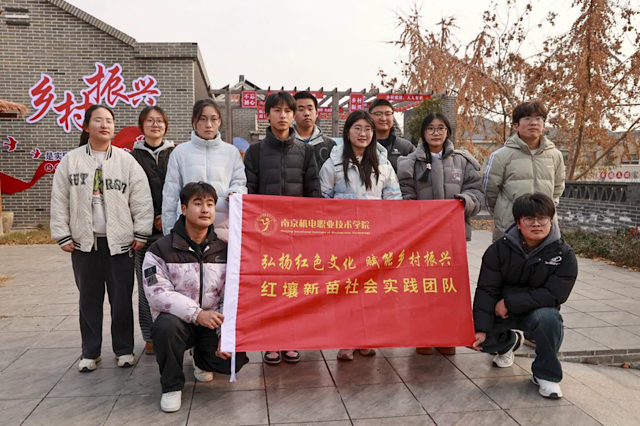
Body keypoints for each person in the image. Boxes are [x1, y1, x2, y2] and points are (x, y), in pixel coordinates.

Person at [50, 105, 153, 372]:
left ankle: (124, 350)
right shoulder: (71, 161)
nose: (104, 125)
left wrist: (141, 232)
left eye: (109, 120)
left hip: (120, 243)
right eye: (98, 120)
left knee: (121, 299)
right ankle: (90, 352)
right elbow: (59, 199)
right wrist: (62, 234)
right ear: (86, 126)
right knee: (88, 299)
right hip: (84, 243)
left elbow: (141, 199)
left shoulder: (125, 161)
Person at [143, 182, 248, 413]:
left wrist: (225, 334)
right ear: (183, 209)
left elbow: (231, 295)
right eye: (198, 203)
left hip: (212, 321)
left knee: (233, 358)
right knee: (165, 328)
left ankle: (201, 359)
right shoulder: (160, 249)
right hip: (178, 322)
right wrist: (197, 314)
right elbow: (157, 294)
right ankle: (171, 386)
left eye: (210, 204)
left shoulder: (224, 250)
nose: (205, 209)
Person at [471, 193, 577, 399]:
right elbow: (486, 289)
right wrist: (480, 328)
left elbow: (554, 294)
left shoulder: (564, 254)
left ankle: (546, 376)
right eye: (529, 219)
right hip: (501, 313)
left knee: (549, 319)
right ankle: (508, 343)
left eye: (542, 218)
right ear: (518, 223)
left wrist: (510, 302)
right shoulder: (498, 250)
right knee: (471, 335)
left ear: (551, 220)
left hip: (535, 313)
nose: (536, 224)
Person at [397, 113, 484, 356]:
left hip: (452, 237)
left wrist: (462, 202)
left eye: (441, 128)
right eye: (431, 128)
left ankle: (447, 336)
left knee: (449, 288)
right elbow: (404, 195)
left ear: (448, 132)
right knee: (421, 287)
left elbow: (476, 193)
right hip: (420, 239)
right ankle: (423, 336)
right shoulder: (408, 163)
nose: (436, 133)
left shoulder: (463, 161)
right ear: (423, 133)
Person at [244, 91, 320, 363]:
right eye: (277, 110)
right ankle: (270, 342)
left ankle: (291, 339)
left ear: (294, 115)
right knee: (269, 290)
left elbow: (313, 193)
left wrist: (309, 231)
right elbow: (250, 193)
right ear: (267, 115)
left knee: (294, 290)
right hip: (266, 235)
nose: (283, 116)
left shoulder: (306, 151)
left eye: (288, 111)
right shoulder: (255, 152)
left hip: (296, 236)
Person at [319, 110, 401, 360]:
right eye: (357, 128)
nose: (363, 133)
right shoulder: (332, 164)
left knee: (371, 290)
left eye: (367, 129)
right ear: (347, 132)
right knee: (346, 291)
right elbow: (322, 201)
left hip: (374, 240)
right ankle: (346, 340)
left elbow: (394, 200)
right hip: (342, 241)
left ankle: (366, 337)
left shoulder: (383, 165)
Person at [162, 99, 246, 242]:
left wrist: (236, 192)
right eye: (203, 119)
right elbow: (171, 194)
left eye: (214, 119)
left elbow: (240, 183)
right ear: (195, 122)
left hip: (223, 226)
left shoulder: (232, 152)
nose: (208, 125)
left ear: (220, 121)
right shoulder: (180, 152)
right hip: (188, 228)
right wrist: (169, 232)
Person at [483, 100, 566, 242]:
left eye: (538, 118)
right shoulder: (501, 156)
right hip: (510, 226)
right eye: (527, 118)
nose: (533, 123)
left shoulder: (555, 155)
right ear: (516, 125)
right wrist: (503, 214)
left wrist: (545, 212)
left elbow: (557, 189)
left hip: (545, 227)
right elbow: (489, 192)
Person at [131, 105, 175, 355]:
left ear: (166, 125)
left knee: (178, 284)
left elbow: (183, 189)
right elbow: (129, 195)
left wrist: (167, 217)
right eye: (149, 121)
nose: (155, 125)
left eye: (159, 120)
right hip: (145, 234)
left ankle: (179, 333)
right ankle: (149, 335)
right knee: (148, 284)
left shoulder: (176, 154)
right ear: (142, 126)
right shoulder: (131, 157)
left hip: (173, 232)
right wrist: (148, 220)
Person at [368, 98, 415, 172]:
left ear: (392, 116)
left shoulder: (406, 147)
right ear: (369, 116)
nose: (383, 118)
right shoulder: (363, 145)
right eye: (378, 114)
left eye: (388, 114)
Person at [293, 91, 337, 168]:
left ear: (316, 113)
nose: (306, 113)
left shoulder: (330, 145)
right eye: (301, 109)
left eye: (310, 109)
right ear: (293, 114)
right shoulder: (284, 142)